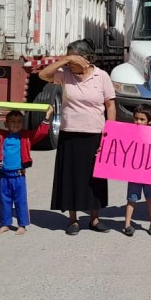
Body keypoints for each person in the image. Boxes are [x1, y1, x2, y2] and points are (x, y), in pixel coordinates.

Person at [39, 39, 116, 236]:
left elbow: (110, 105)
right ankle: (73, 220)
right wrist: (65, 60)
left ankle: (94, 218)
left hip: (94, 134)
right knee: (71, 178)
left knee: (94, 179)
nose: (71, 64)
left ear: (85, 59)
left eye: (74, 60)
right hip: (70, 133)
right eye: (69, 59)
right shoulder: (65, 74)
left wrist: (110, 134)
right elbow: (43, 75)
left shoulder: (102, 76)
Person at [0, 106, 54, 235]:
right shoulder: (0, 136)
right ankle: (5, 223)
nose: (16, 124)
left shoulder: (26, 137)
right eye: (12, 121)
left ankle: (22, 225)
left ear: (23, 124)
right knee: (4, 201)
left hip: (19, 176)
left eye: (19, 121)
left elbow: (40, 132)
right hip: (4, 176)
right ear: (6, 123)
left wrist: (47, 117)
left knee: (20, 201)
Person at [122, 104, 151, 237]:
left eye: (142, 119)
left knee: (150, 198)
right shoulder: (129, 133)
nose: (138, 122)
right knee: (131, 199)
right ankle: (127, 224)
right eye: (136, 118)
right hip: (134, 173)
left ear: (149, 121)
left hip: (150, 173)